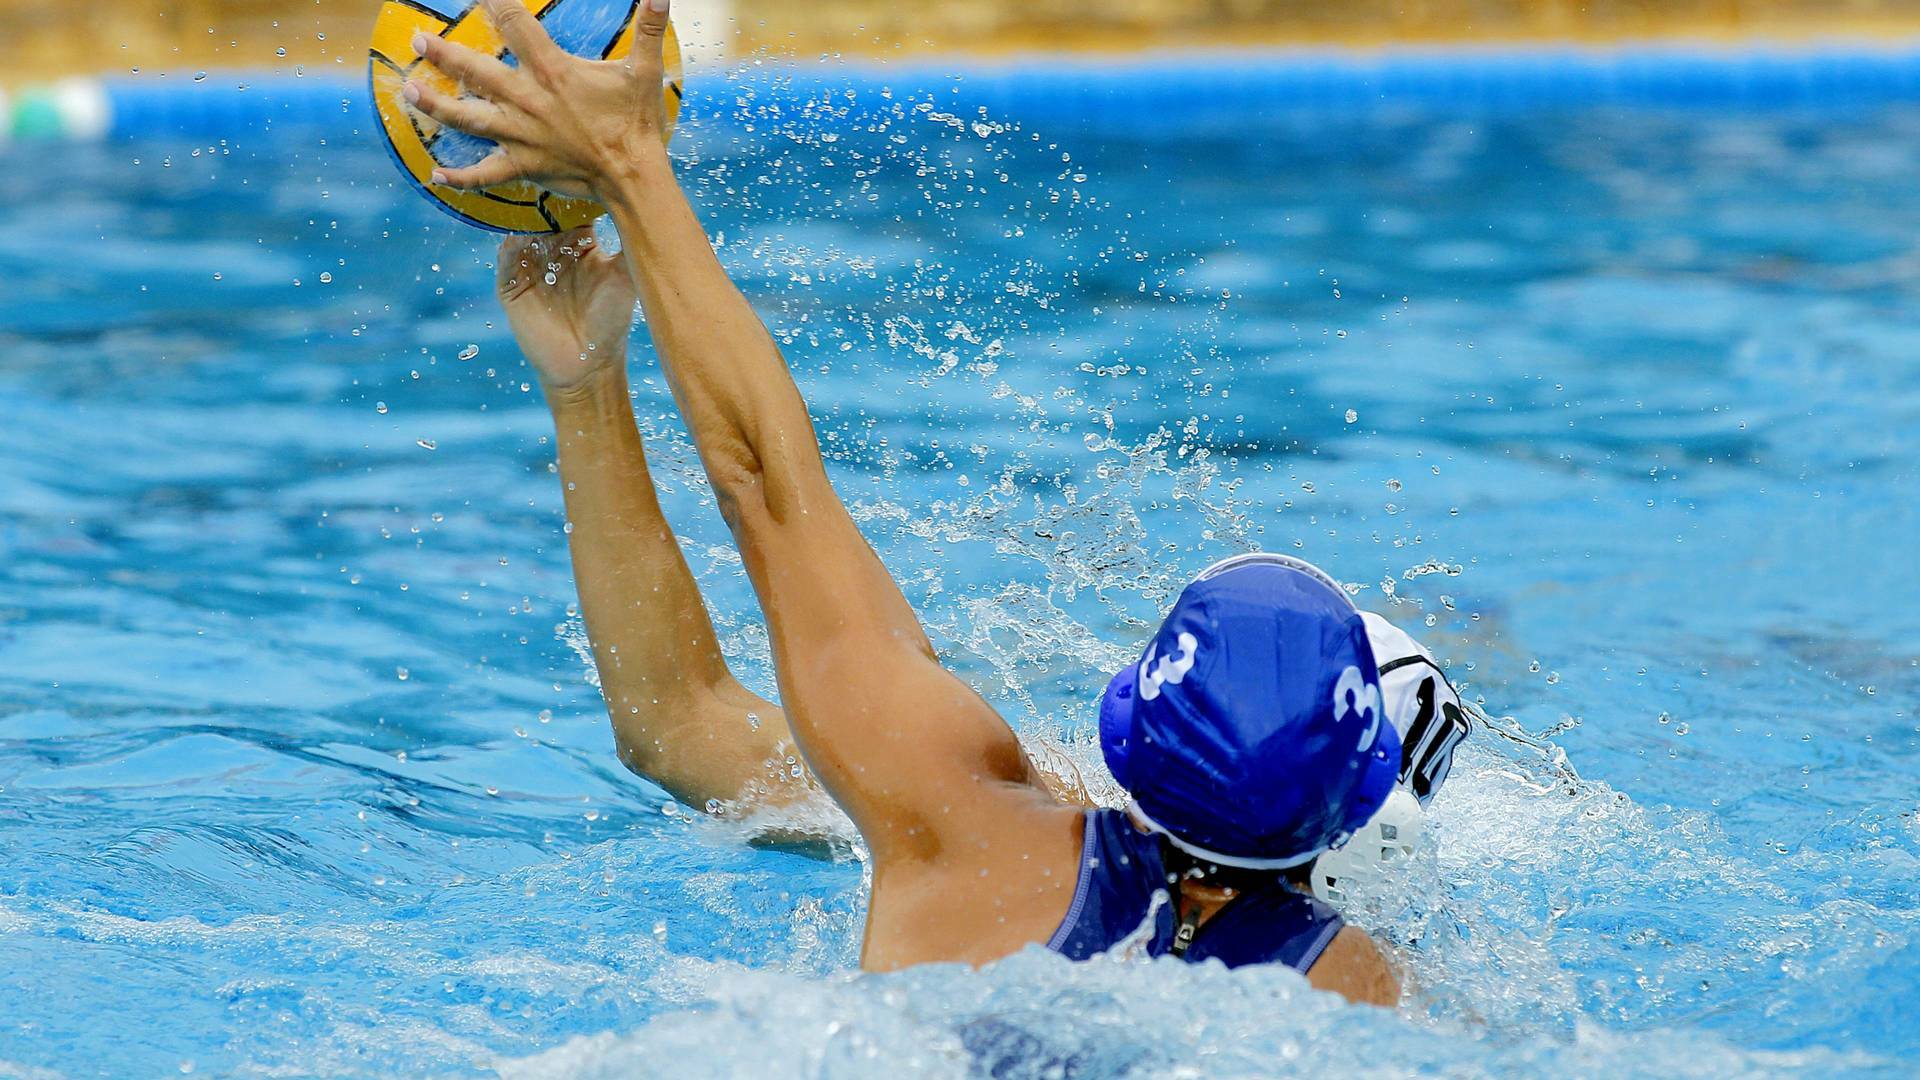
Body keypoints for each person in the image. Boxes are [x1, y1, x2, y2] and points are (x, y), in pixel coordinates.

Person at [403, 0, 1470, 1008]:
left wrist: (628, 180)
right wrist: (584, 377)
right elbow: (680, 729)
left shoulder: (961, 817)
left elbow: (761, 503)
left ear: (1138, 725)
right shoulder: (1386, 1002)